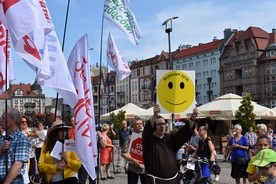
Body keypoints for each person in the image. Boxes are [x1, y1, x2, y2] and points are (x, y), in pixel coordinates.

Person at [142, 104, 197, 184]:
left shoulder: (170, 138)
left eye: (163, 124)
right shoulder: (149, 141)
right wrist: (155, 115)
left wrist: (192, 118)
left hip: (173, 180)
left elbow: (183, 133)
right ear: (154, 126)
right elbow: (147, 131)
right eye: (159, 124)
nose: (162, 126)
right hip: (155, 181)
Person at [0, 107, 31, 183]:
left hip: (13, 181)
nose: (1, 120)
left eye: (3, 118)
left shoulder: (22, 138)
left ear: (13, 121)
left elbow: (18, 165)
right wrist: (1, 150)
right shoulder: (1, 138)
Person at [122, 118, 147, 184]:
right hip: (133, 169)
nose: (140, 125)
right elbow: (123, 153)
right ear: (133, 126)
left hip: (145, 169)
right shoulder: (129, 138)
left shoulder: (146, 137)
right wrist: (133, 160)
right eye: (137, 124)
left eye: (141, 124)